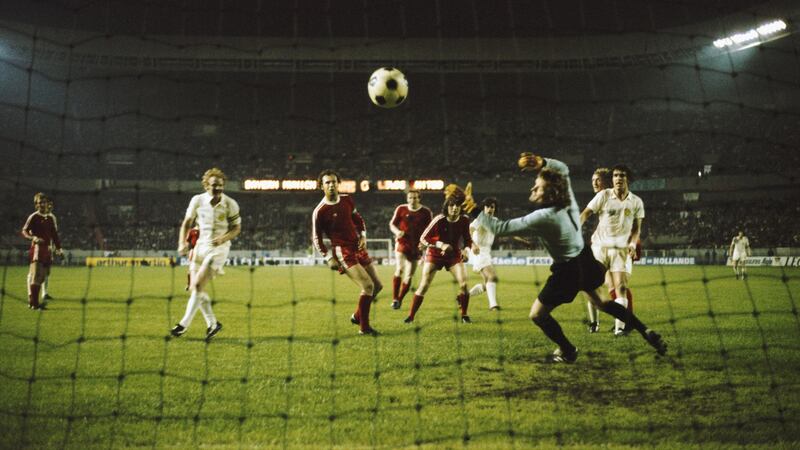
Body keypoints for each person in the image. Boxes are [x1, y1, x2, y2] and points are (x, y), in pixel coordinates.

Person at [474, 153, 666, 363]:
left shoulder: (541, 217)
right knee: (603, 301)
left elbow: (500, 227)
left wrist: (473, 209)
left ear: (548, 193)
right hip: (585, 259)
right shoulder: (568, 203)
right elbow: (563, 169)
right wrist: (542, 163)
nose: (532, 189)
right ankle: (645, 331)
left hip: (567, 270)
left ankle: (568, 350)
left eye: (536, 187)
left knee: (537, 315)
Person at [171, 167, 241, 340]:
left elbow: (237, 228)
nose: (217, 188)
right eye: (213, 185)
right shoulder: (197, 200)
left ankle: (183, 325)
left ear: (223, 186)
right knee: (195, 289)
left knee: (197, 286)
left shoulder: (230, 204)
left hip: (218, 250)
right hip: (199, 247)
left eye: (220, 185)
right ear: (206, 185)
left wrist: (223, 238)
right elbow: (187, 223)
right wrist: (182, 243)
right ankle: (213, 324)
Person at [312, 169, 383, 335]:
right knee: (368, 286)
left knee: (377, 286)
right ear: (321, 186)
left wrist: (363, 235)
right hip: (342, 251)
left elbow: (358, 218)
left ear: (338, 183)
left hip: (357, 246)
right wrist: (328, 257)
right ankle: (364, 328)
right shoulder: (320, 211)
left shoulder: (347, 200)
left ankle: (358, 316)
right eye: (327, 182)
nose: (331, 185)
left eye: (333, 182)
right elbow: (317, 239)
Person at [580, 165, 644, 336]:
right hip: (600, 247)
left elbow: (637, 229)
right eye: (616, 175)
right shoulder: (603, 196)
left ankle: (620, 328)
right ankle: (594, 324)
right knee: (591, 284)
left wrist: (632, 245)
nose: (618, 178)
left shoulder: (636, 202)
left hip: (622, 248)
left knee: (620, 287)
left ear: (627, 179)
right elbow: (585, 213)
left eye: (622, 175)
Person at [405, 197, 476, 323]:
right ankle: (411, 316)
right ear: (446, 207)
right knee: (424, 285)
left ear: (461, 208)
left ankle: (464, 315)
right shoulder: (439, 219)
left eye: (457, 206)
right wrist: (440, 245)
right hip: (435, 254)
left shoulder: (464, 220)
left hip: (453, 255)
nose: (454, 208)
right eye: (451, 206)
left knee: (464, 284)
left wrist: (466, 250)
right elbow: (423, 238)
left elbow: (468, 239)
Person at [389, 189, 432, 310]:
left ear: (419, 199)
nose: (412, 200)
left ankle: (399, 299)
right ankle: (394, 298)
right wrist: (397, 232)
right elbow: (392, 224)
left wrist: (426, 245)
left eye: (415, 198)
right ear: (407, 199)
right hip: (403, 243)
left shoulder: (426, 212)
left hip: (416, 247)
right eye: (410, 198)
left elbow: (430, 229)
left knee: (409, 276)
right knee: (400, 269)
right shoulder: (401, 209)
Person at [21, 193, 62, 310]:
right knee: (36, 275)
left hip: (48, 250)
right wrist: (33, 238)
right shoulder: (33, 216)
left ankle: (33, 301)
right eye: (40, 203)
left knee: (44, 275)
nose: (43, 205)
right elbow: (24, 231)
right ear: (36, 205)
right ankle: (34, 303)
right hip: (37, 248)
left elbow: (54, 235)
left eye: (44, 202)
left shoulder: (50, 218)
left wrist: (59, 249)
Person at [468, 197, 501, 310]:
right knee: (493, 277)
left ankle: (464, 297)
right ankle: (493, 306)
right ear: (484, 208)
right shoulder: (480, 218)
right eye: (487, 206)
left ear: (495, 209)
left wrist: (523, 241)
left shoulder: (495, 221)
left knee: (487, 283)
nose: (489, 209)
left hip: (486, 252)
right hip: (479, 251)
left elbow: (506, 231)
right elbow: (471, 229)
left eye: (492, 207)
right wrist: (473, 244)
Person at [40, 198, 57, 301]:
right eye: (48, 205)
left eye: (51, 205)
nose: (50, 207)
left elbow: (54, 234)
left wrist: (54, 247)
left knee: (47, 271)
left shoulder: (53, 217)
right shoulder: (38, 216)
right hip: (40, 247)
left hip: (49, 248)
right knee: (37, 271)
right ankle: (33, 295)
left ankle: (44, 293)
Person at [185, 224, 200, 291]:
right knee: (190, 269)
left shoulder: (203, 231)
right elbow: (188, 241)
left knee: (200, 270)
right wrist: (188, 251)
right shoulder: (192, 231)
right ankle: (189, 284)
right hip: (193, 250)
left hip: (201, 251)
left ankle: (197, 284)